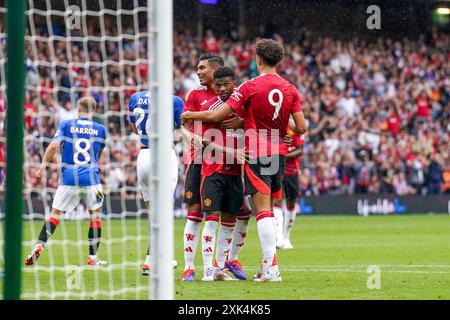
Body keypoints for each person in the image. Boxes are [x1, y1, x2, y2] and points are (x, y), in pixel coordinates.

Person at [182, 39, 307, 282]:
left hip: (256, 153)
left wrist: (190, 115)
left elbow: (218, 114)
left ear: (258, 59)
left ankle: (271, 269)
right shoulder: (290, 88)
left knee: (261, 212)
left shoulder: (249, 86)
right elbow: (300, 127)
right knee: (267, 209)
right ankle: (264, 266)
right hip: (278, 153)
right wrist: (278, 129)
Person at [25, 96, 108, 266]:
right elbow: (99, 153)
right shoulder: (101, 129)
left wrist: (42, 168)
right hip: (91, 178)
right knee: (96, 216)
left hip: (69, 177)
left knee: (55, 215)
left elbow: (54, 146)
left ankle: (40, 244)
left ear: (78, 110)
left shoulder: (67, 125)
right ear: (93, 111)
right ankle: (93, 258)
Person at [128, 90, 184, 275]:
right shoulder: (173, 100)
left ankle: (157, 258)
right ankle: (152, 260)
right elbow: (182, 128)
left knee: (153, 213)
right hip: (163, 155)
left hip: (143, 156)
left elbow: (135, 127)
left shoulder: (135, 97)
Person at [180, 53, 225, 282]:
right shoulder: (195, 94)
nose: (198, 72)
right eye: (197, 68)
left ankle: (219, 266)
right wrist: (189, 137)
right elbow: (183, 124)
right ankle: (189, 267)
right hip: (198, 161)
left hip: (225, 163)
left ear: (215, 70)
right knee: (195, 212)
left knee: (222, 215)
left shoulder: (229, 95)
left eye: (202, 68)